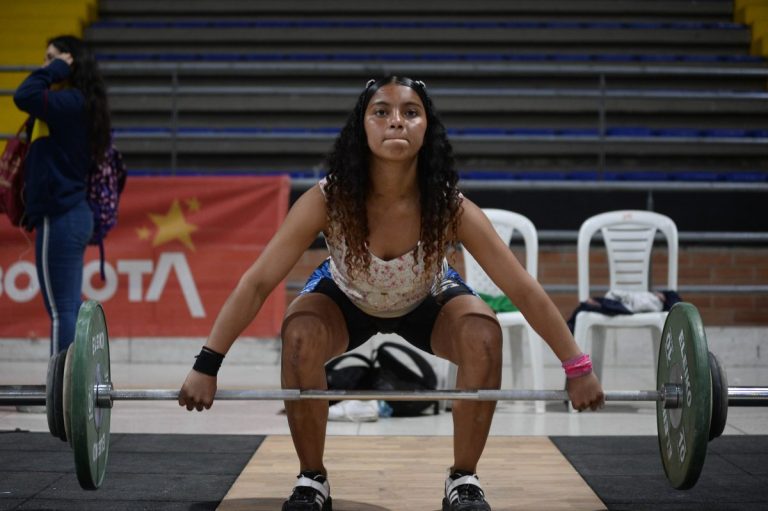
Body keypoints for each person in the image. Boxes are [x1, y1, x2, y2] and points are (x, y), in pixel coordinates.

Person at [178, 76, 605, 511]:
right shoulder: (329, 199)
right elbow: (257, 282)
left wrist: (577, 366)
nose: (396, 121)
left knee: (483, 334)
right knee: (300, 332)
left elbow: (521, 287)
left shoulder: (449, 206)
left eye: (410, 112)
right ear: (362, 127)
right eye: (381, 111)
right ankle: (311, 479)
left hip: (426, 297)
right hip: (346, 298)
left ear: (426, 129)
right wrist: (207, 363)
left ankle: (463, 478)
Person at [13, 35, 111, 356]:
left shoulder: (69, 103)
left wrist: (52, 70)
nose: (45, 64)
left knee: (62, 310)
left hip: (61, 214)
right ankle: (71, 386)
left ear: (69, 63)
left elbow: (23, 94)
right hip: (69, 213)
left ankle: (61, 394)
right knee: (66, 307)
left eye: (52, 58)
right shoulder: (71, 104)